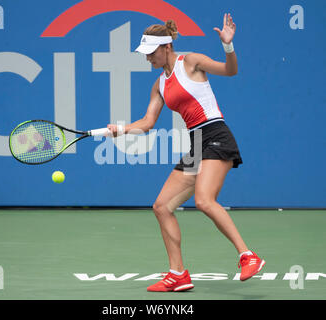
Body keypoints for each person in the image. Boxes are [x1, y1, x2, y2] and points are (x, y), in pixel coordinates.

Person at [107, 13, 265, 292]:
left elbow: (230, 71)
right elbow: (147, 123)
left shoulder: (191, 62)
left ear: (166, 47)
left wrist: (228, 46)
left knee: (204, 200)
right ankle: (177, 273)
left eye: (150, 52)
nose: (147, 58)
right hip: (196, 142)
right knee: (162, 206)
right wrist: (120, 129)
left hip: (216, 135)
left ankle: (247, 255)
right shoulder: (159, 84)